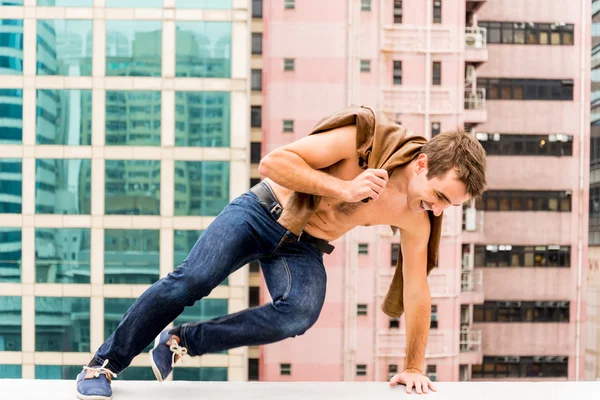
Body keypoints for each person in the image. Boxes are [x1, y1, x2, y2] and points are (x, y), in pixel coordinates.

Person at [75, 106, 487, 399]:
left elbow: (417, 290)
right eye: (438, 196)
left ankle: (182, 340)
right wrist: (345, 189)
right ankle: (103, 365)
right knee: (193, 280)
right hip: (261, 211)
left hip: (303, 246)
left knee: (299, 313)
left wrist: (414, 366)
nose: (437, 209)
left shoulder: (418, 217)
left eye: (447, 205)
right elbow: (274, 163)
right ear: (421, 164)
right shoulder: (364, 140)